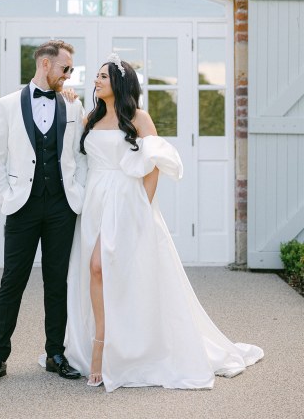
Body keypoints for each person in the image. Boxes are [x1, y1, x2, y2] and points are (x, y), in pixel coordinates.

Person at [65, 53, 264, 392]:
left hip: (128, 202)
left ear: (120, 83)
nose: (96, 81)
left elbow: (155, 163)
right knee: (94, 271)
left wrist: (142, 205)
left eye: (102, 76)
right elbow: (75, 156)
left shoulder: (139, 118)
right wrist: (67, 98)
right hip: (96, 202)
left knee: (104, 268)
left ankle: (106, 350)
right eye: (95, 76)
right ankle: (100, 342)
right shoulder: (90, 117)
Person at [0, 40, 87, 386]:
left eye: (70, 70)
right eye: (64, 68)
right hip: (22, 206)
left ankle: (56, 353)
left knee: (57, 282)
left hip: (61, 206)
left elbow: (81, 156)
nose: (68, 75)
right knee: (12, 282)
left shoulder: (73, 104)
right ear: (44, 63)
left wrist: (78, 194)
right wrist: (4, 197)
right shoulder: (8, 104)